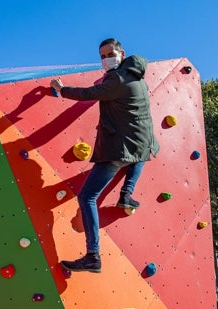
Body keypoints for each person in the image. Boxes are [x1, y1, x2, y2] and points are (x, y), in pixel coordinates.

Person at [50, 38, 160, 273]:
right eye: (102, 56)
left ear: (122, 53)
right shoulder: (139, 79)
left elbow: (90, 93)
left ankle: (93, 255)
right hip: (141, 143)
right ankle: (126, 195)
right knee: (140, 156)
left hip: (117, 149)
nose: (105, 59)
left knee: (87, 197)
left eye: (109, 54)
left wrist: (61, 89)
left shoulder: (117, 78)